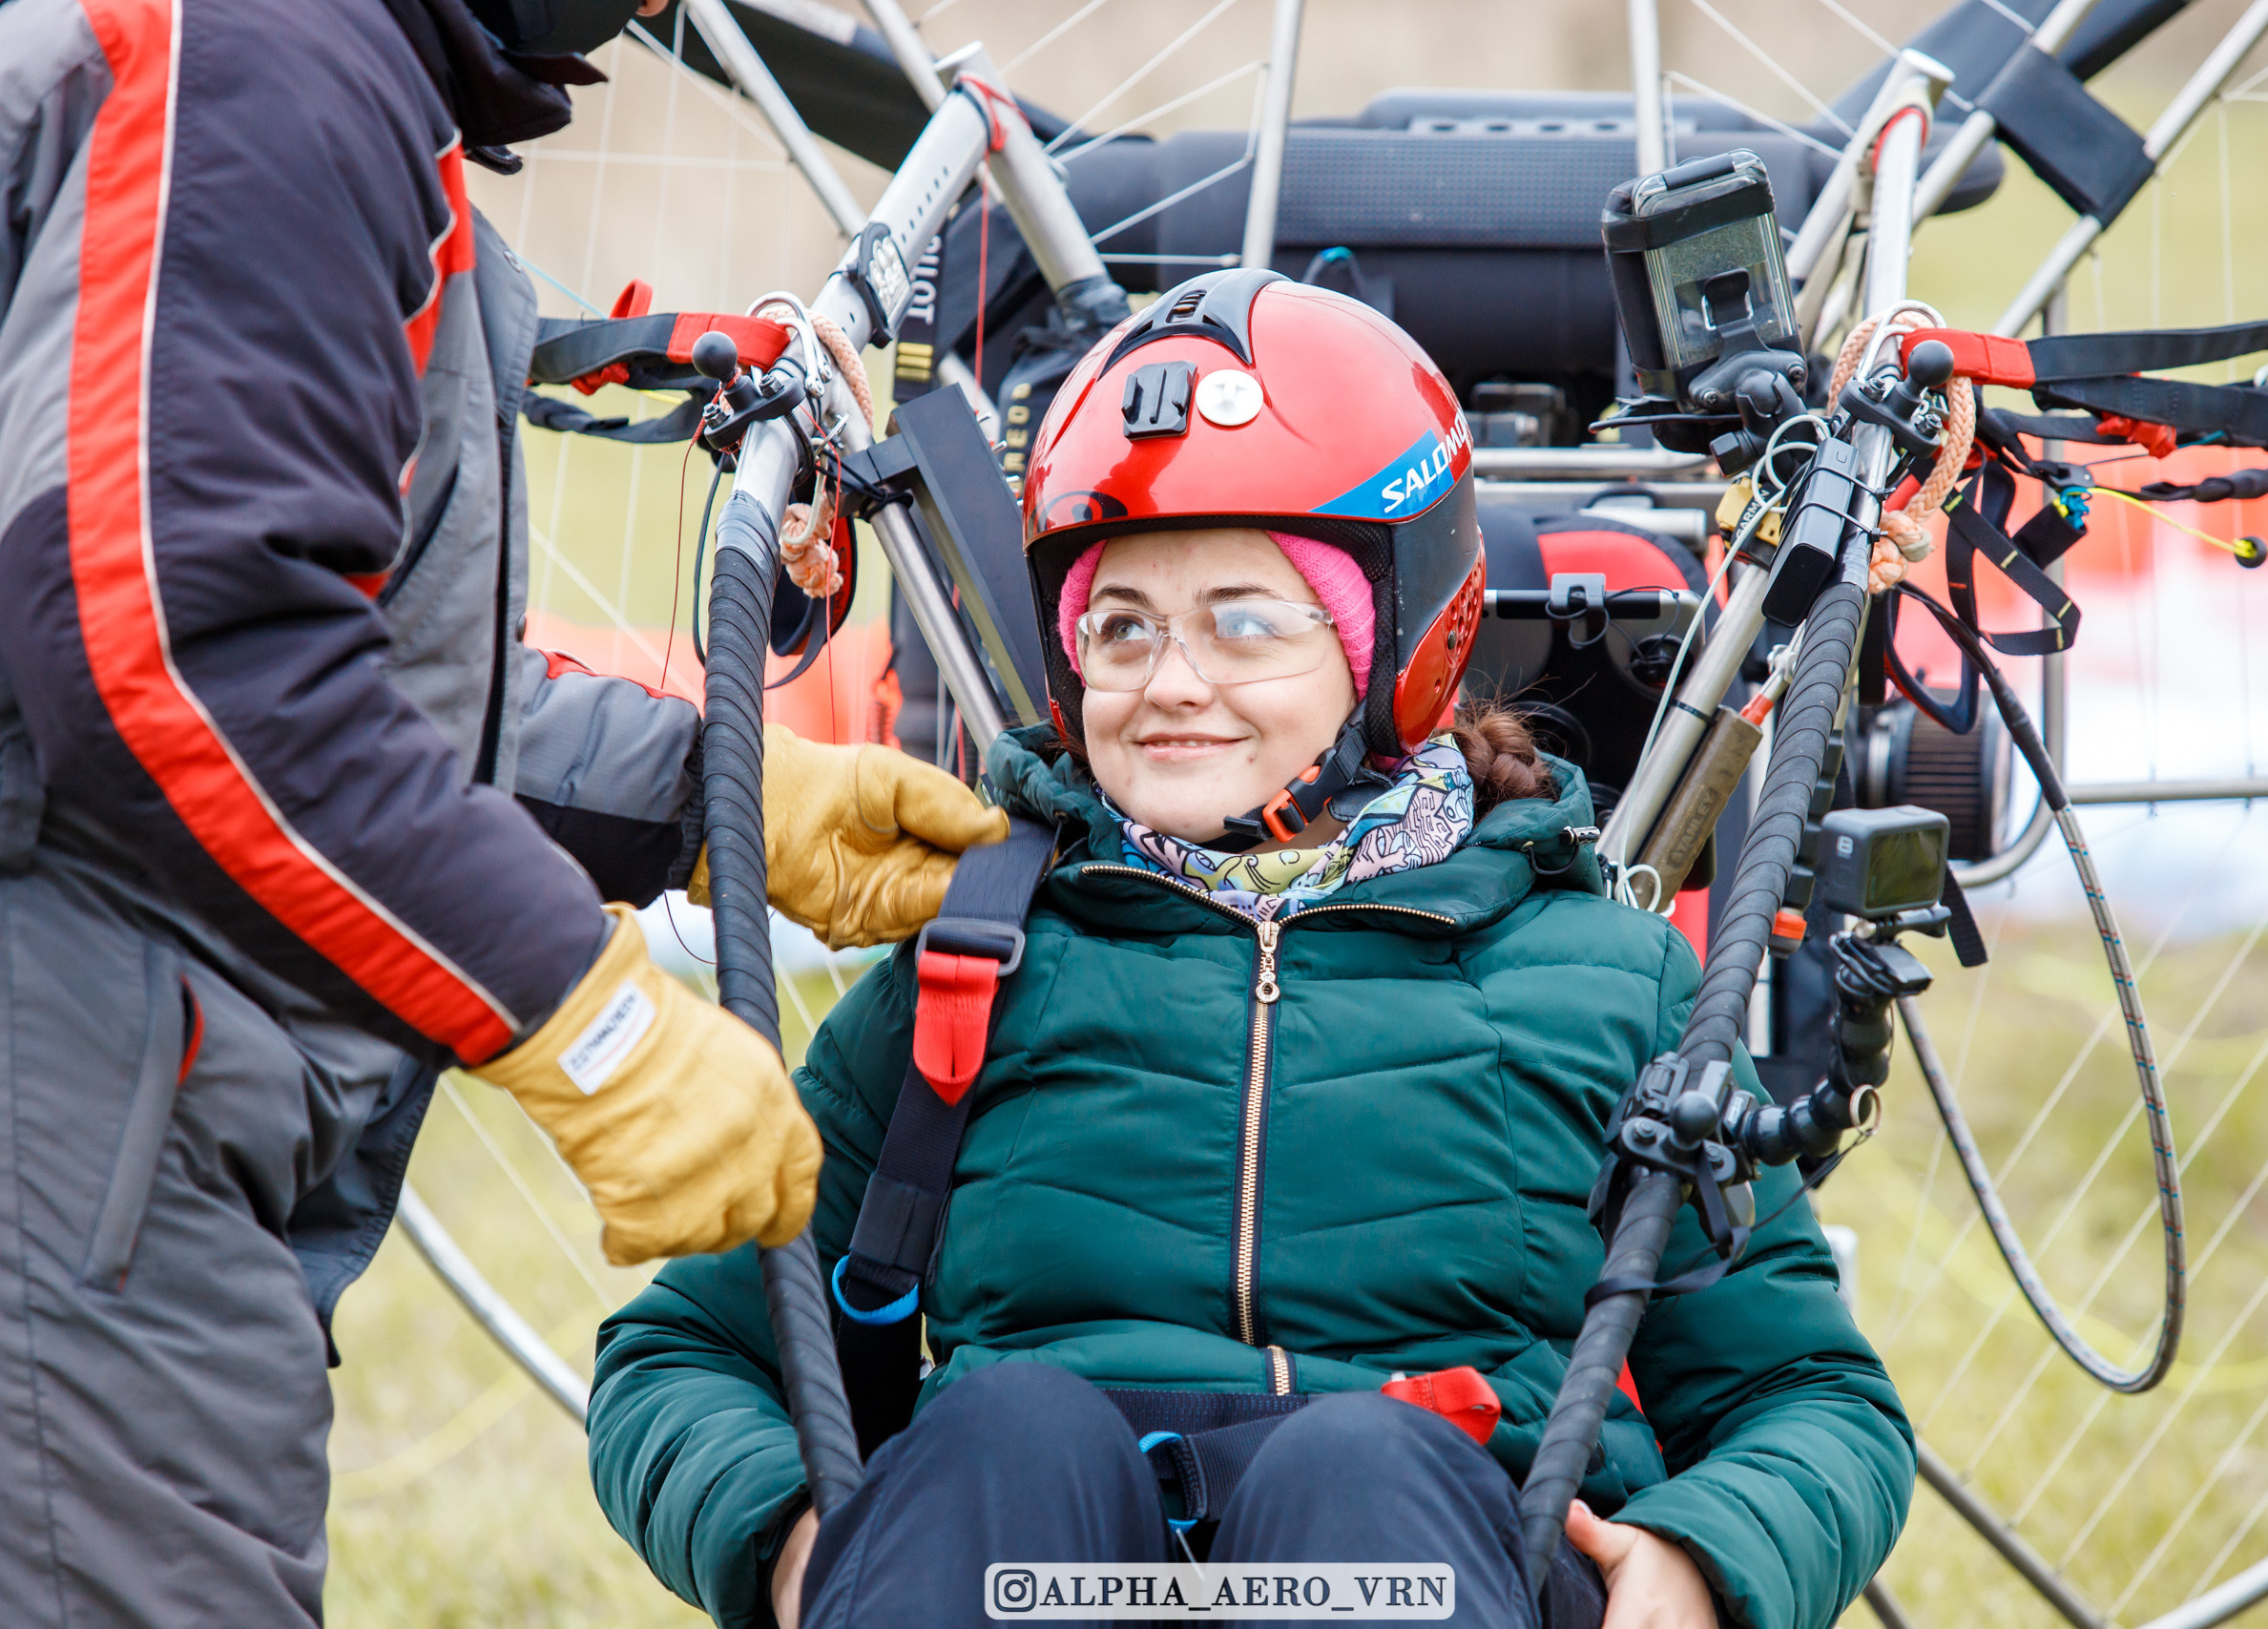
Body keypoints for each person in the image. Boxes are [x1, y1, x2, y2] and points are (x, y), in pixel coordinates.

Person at [587, 273, 1911, 1629]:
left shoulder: (1608, 987)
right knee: (1008, 1437)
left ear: (1395, 644)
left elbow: (1808, 1399)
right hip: (1026, 1565)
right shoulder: (972, 964)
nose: (1169, 680)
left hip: (1423, 1555)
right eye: (1122, 627)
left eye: (1246, 620)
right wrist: (793, 1538)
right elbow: (683, 1354)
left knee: (1362, 1470)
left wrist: (1696, 1565)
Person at [0, 0, 1003, 1622]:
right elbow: (182, 665)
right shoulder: (265, 66)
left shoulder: (318, 80)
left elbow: (322, 682)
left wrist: (717, 797)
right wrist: (581, 1012)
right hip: (65, 1126)